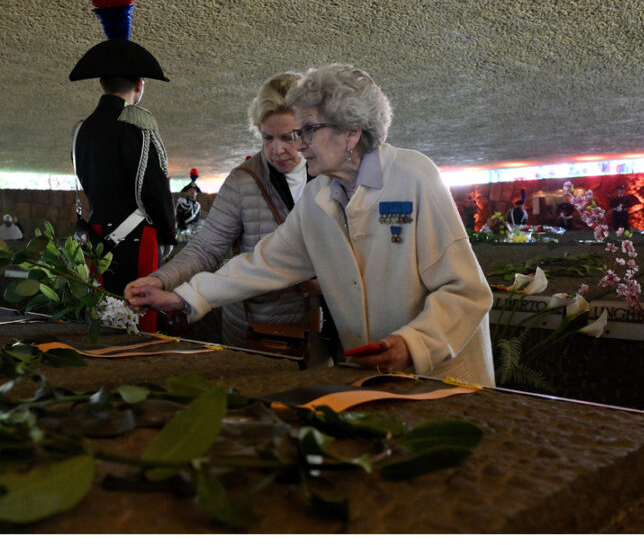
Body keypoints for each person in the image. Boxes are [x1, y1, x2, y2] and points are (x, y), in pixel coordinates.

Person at [128, 64, 495, 386]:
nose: (299, 145)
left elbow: (466, 291)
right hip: (372, 374)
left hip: (443, 375)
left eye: (307, 131)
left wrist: (413, 344)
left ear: (351, 131)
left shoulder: (414, 176)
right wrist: (184, 296)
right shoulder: (318, 196)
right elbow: (262, 264)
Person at [126, 72, 316, 349]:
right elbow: (205, 248)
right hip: (258, 329)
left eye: (289, 137)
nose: (277, 150)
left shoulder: (332, 172)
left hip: (325, 324)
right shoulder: (243, 181)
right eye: (267, 138)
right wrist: (160, 279)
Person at [68, 0, 176, 335]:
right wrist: (168, 232)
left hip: (96, 237)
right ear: (140, 84)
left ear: (100, 83)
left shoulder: (82, 129)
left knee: (102, 319)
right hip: (136, 239)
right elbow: (154, 187)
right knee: (139, 325)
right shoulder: (138, 125)